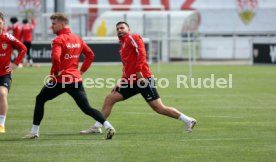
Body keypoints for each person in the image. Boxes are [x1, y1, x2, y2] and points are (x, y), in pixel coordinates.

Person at [80, 21, 197, 135]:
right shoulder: (122, 46)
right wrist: (121, 80)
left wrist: (139, 72)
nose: (119, 30)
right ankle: (97, 127)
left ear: (128, 29)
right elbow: (127, 66)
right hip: (131, 81)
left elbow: (142, 54)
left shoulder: (133, 38)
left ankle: (188, 120)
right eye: (117, 29)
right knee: (110, 98)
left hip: (143, 79)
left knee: (159, 108)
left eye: (122, 28)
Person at [24, 13, 115, 139]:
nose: (52, 27)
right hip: (75, 79)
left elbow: (56, 57)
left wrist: (56, 72)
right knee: (86, 108)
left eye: (54, 24)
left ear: (62, 24)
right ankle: (108, 126)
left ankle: (34, 132)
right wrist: (81, 71)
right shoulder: (77, 39)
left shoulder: (58, 40)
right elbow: (90, 55)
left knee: (40, 99)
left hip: (60, 80)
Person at [0, 12, 27, 133]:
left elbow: (23, 48)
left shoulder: (8, 37)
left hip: (3, 74)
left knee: (2, 94)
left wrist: (15, 63)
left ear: (3, 23)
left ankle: (1, 124)